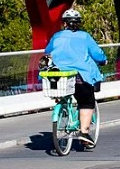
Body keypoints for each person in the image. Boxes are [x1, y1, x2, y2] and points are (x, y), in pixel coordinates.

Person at [44, 8, 107, 146]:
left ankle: (63, 111)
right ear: (78, 23)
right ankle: (84, 133)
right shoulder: (84, 37)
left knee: (64, 94)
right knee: (86, 101)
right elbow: (97, 54)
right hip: (80, 75)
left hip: (58, 76)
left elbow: (47, 51)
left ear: (64, 23)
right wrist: (103, 60)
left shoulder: (57, 36)